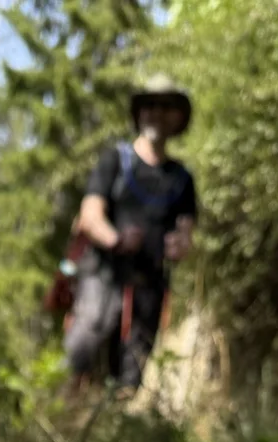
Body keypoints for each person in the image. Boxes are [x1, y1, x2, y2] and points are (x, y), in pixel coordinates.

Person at [64, 75, 197, 394]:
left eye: (166, 107)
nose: (157, 113)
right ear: (139, 113)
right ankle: (63, 416)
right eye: (149, 105)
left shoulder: (182, 179)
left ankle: (116, 427)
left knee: (132, 369)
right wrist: (116, 240)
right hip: (102, 275)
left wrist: (180, 245)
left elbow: (186, 233)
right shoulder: (115, 160)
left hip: (149, 286)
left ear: (177, 116)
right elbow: (90, 215)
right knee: (82, 350)